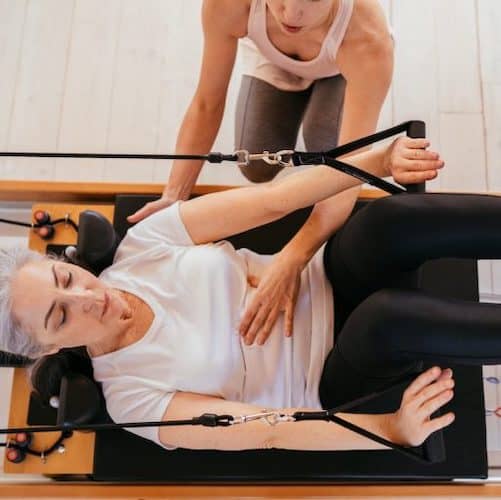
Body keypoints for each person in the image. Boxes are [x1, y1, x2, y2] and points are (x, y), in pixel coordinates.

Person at [1, 137, 454, 452]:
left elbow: (273, 202)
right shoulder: (129, 397)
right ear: (50, 347)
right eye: (60, 317)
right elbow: (266, 431)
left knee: (388, 222)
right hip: (330, 370)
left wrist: (376, 163)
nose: (85, 297)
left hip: (321, 275)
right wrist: (391, 430)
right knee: (386, 319)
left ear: (65, 261)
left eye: (65, 278)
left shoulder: (142, 245)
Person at [128, 0, 394, 348]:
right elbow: (207, 103)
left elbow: (350, 172)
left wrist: (292, 258)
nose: (291, 16)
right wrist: (174, 197)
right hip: (274, 62)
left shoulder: (368, 40)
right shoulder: (229, 6)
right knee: (255, 166)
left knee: (325, 154)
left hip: (339, 69)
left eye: (311, 2)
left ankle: (325, 104)